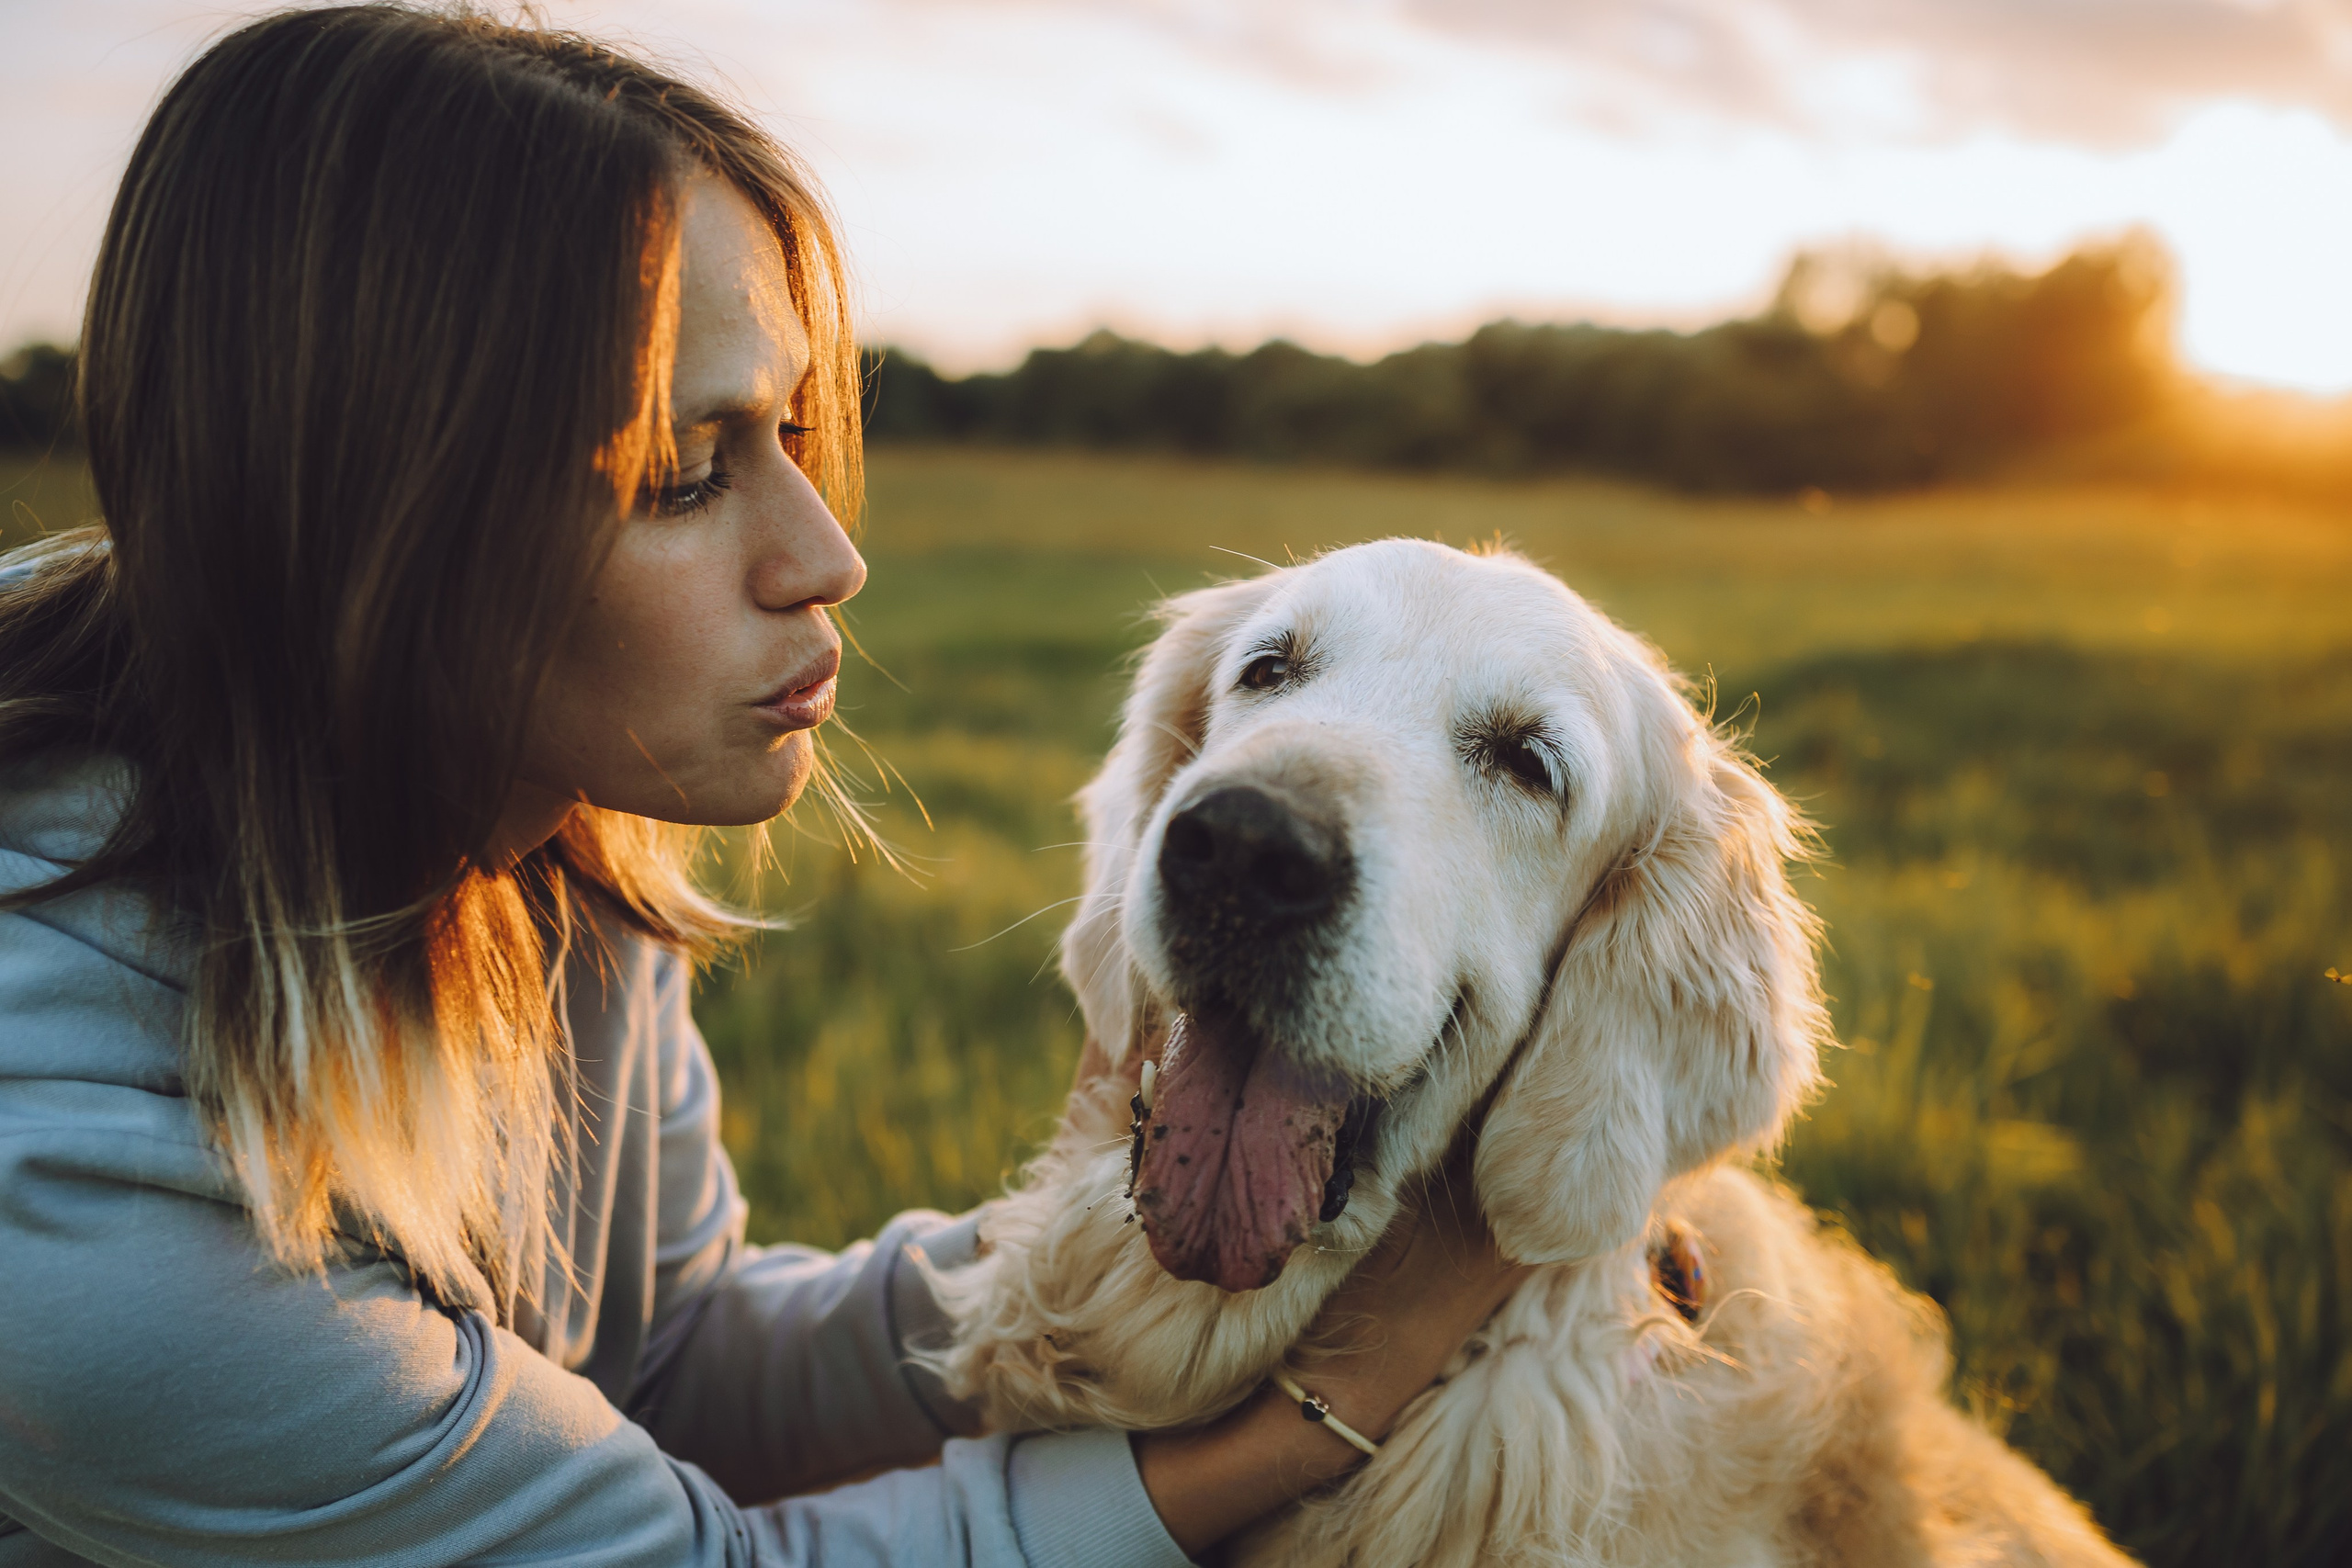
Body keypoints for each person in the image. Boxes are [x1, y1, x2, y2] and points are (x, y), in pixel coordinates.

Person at [0, 7, 1525, 1565]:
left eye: (794, 428)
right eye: (684, 468)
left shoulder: (542, 844)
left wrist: (1105, 1252)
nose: (827, 555)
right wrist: (1319, 1415)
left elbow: (673, 1363)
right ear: (365, 515)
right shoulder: (59, 1187)